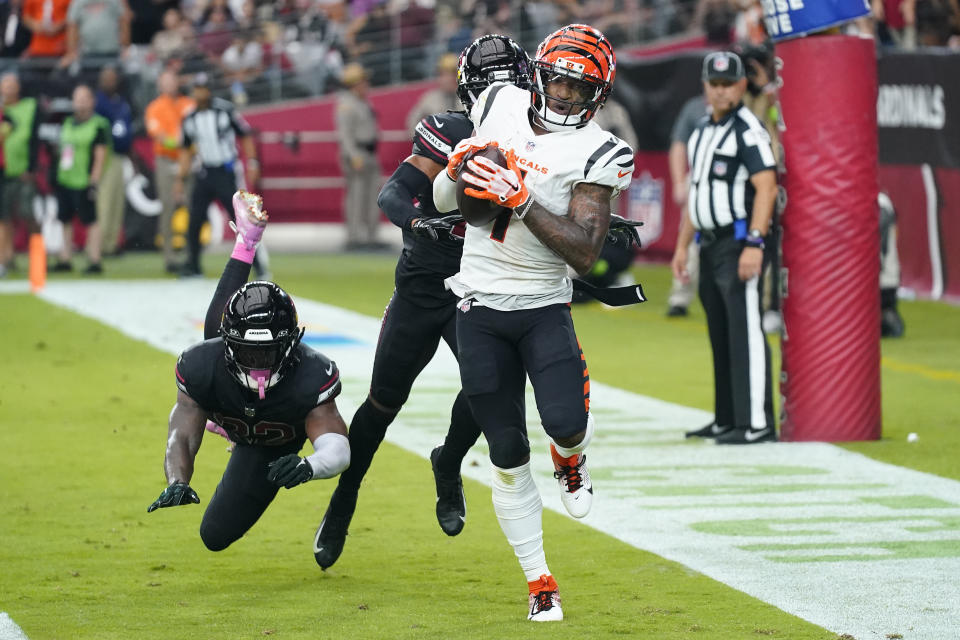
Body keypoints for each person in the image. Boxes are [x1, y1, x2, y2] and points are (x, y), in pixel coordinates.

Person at [431, 24, 634, 621]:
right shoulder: (497, 103)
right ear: (536, 75)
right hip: (480, 305)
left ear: (599, 94)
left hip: (543, 304)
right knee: (507, 451)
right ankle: (538, 577)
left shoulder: (601, 150)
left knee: (567, 423)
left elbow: (583, 252)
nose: (565, 95)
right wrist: (457, 169)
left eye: (580, 86)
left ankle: (571, 458)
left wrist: (522, 199)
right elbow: (448, 203)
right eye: (557, 80)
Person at [313, 34, 533, 571]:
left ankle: (448, 461)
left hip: (480, 289)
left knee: (492, 390)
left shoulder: (535, 141)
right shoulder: (449, 131)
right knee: (384, 402)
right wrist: (419, 221)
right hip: (423, 284)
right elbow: (395, 191)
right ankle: (343, 500)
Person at [147, 190, 352, 554]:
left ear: (291, 344)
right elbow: (180, 433)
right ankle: (246, 241)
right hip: (235, 413)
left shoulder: (310, 373)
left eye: (267, 351)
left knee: (215, 532)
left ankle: (246, 240)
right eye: (247, 351)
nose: (257, 363)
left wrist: (308, 465)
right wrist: (176, 479)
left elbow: (337, 447)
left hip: (273, 446)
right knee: (214, 538)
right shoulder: (203, 365)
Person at [671, 51, 777, 445]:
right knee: (720, 330)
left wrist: (754, 241)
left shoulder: (748, 129)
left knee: (745, 329)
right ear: (704, 86)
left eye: (727, 84)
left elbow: (766, 186)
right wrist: (682, 247)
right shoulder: (700, 130)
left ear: (741, 85)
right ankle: (727, 418)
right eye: (713, 84)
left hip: (736, 241)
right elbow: (697, 193)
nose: (719, 91)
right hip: (708, 242)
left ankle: (757, 423)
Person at [175, 72, 267, 278]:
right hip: (205, 172)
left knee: (242, 220)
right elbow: (185, 149)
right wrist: (180, 179)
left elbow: (245, 135)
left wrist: (252, 163)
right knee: (195, 219)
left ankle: (259, 265)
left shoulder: (225, 110)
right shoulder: (189, 118)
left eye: (204, 88)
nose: (201, 93)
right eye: (197, 89)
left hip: (226, 172)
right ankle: (193, 265)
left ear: (209, 90)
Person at [52, 84, 110, 274]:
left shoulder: (98, 124)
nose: (80, 103)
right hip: (66, 178)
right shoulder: (67, 122)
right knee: (65, 219)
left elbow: (100, 155)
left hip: (84, 180)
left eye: (84, 98)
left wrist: (94, 180)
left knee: (90, 220)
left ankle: (94, 259)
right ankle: (65, 258)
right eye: (77, 98)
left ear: (92, 101)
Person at [145, 69, 196, 273]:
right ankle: (169, 257)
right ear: (160, 85)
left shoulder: (188, 105)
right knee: (168, 207)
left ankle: (191, 254)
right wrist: (180, 142)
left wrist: (182, 144)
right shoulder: (155, 108)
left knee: (192, 207)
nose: (169, 85)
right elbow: (158, 135)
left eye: (171, 81)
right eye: (165, 82)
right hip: (166, 160)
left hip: (187, 159)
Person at [665, 92, 709, 317]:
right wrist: (679, 182)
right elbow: (679, 145)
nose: (720, 89)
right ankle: (680, 298)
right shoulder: (695, 107)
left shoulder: (746, 108)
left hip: (736, 184)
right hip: (699, 179)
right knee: (689, 241)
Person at [335, 62, 382, 251]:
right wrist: (353, 156)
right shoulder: (346, 105)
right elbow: (345, 135)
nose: (366, 85)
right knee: (356, 196)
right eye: (363, 81)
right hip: (357, 154)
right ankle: (353, 236)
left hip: (369, 152)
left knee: (372, 196)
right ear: (355, 84)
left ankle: (371, 236)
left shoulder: (363, 102)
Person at [0, 73, 41, 277]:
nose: (7, 89)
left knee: (27, 213)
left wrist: (31, 168)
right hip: (3, 172)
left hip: (23, 171)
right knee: (4, 217)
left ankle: (38, 259)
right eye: (4, 85)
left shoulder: (30, 107)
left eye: (11, 85)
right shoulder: (1, 111)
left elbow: (35, 140)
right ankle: (6, 259)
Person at [94, 66, 133, 257]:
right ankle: (99, 246)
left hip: (120, 155)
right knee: (105, 202)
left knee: (117, 202)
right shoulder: (98, 102)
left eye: (113, 78)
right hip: (106, 154)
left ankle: (111, 244)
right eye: (106, 78)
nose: (110, 82)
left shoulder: (121, 101)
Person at [404, 52, 460, 132]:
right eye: (443, 75)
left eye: (451, 74)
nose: (446, 79)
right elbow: (412, 122)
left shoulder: (468, 98)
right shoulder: (429, 99)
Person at [879, 192, 905, 338]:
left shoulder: (880, 203)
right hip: (887, 278)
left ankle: (888, 318)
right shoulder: (883, 202)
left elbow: (881, 242)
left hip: (882, 279)